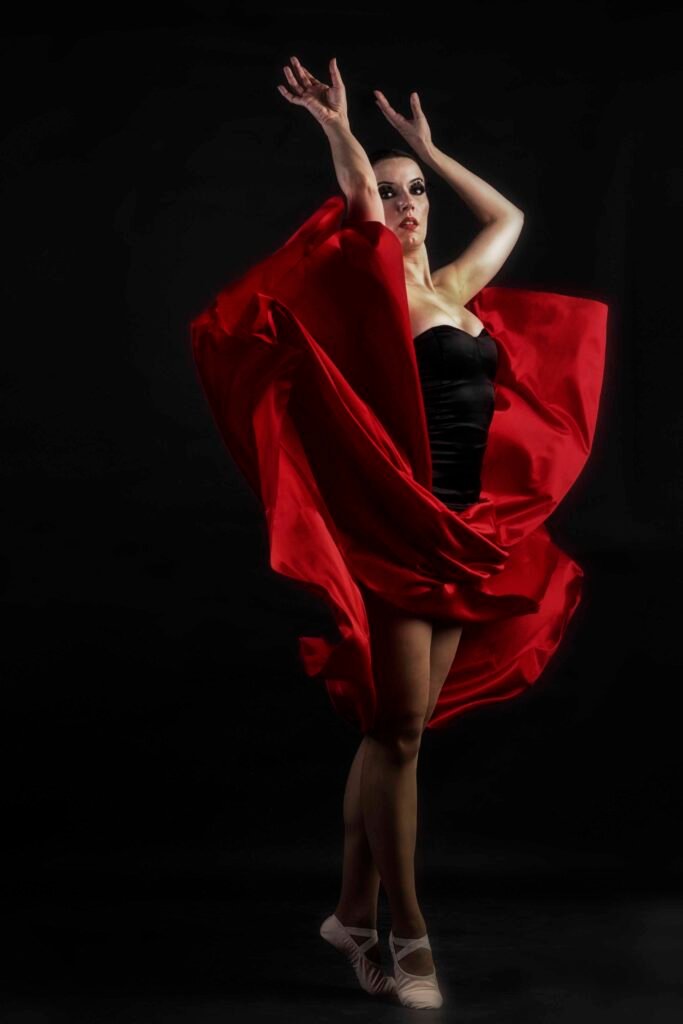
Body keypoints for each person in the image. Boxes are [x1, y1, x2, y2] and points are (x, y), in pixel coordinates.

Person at [190, 56, 608, 1010]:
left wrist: (428, 148)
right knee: (401, 735)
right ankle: (408, 936)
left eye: (415, 191)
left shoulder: (455, 289)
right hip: (396, 531)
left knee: (395, 734)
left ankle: (348, 913)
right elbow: (357, 202)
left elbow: (507, 219)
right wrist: (340, 132)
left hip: (460, 533)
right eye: (391, 193)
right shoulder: (375, 285)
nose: (406, 203)